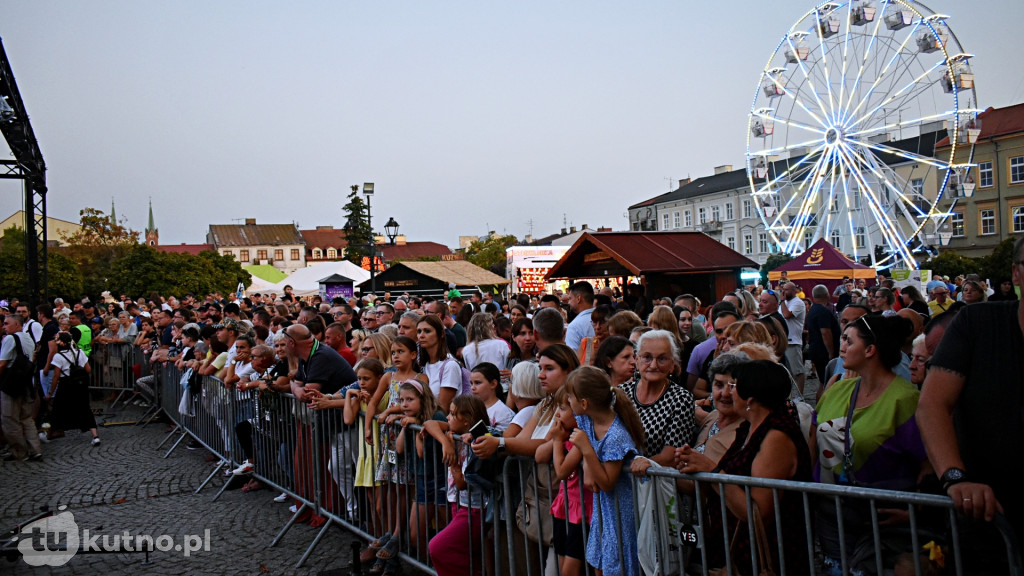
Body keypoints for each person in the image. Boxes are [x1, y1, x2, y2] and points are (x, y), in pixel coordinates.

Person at [917, 237, 1024, 571]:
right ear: (1016, 274)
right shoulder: (978, 324)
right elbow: (932, 405)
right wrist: (955, 476)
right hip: (988, 513)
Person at [677, 361, 811, 576]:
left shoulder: (776, 436)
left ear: (749, 400)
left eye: (734, 387)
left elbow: (757, 510)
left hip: (769, 554)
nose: (729, 393)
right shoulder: (749, 428)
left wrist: (712, 471)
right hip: (740, 550)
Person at [814, 314, 926, 574]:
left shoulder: (906, 399)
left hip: (884, 521)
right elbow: (813, 444)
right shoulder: (837, 390)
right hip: (832, 516)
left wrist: (918, 510)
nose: (841, 345)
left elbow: (927, 463)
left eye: (847, 340)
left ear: (870, 350)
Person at [566, 366, 645, 576]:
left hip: (622, 512)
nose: (568, 402)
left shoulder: (616, 435)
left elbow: (608, 482)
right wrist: (587, 463)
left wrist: (587, 451)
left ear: (584, 403)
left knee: (617, 566)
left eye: (570, 397)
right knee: (599, 562)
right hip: (604, 510)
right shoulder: (586, 418)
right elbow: (585, 437)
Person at [536, 386, 593, 576]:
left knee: (571, 569)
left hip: (583, 509)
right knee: (562, 565)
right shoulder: (565, 435)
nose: (557, 414)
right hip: (564, 506)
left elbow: (561, 471)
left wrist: (559, 441)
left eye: (562, 408)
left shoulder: (582, 437)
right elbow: (540, 455)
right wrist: (556, 437)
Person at [621, 330, 696, 467]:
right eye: (647, 357)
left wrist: (644, 464)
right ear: (637, 360)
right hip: (617, 480)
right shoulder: (621, 393)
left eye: (662, 359)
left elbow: (671, 455)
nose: (654, 365)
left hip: (654, 482)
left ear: (672, 364)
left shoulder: (681, 399)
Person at [46, 333, 100, 446]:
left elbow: (56, 376)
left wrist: (50, 392)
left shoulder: (58, 356)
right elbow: (88, 369)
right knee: (85, 408)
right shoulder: (80, 352)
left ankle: (51, 433)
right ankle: (95, 436)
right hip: (80, 384)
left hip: (65, 384)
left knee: (57, 408)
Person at [0, 312, 41, 461]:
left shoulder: (10, 338)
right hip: (26, 382)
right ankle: (35, 449)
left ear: (17, 324)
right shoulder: (28, 338)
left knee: (10, 419)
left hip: (11, 382)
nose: (4, 327)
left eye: (7, 323)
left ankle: (19, 451)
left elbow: (2, 363)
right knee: (26, 418)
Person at [805, 284, 840, 384]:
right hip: (823, 352)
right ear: (826, 294)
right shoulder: (822, 311)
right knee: (828, 382)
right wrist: (831, 352)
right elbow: (825, 332)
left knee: (823, 382)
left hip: (816, 349)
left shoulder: (813, 310)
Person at [779, 282, 807, 394]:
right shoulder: (784, 303)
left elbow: (787, 315)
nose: (783, 292)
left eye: (786, 289)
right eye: (783, 289)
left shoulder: (798, 303)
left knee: (798, 371)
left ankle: (800, 394)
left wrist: (781, 301)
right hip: (784, 340)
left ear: (794, 290)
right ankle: (789, 394)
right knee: (787, 371)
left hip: (793, 340)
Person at [564, 281, 596, 351]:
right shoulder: (605, 317)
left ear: (578, 298)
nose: (568, 302)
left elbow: (573, 357)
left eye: (570, 298)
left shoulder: (574, 326)